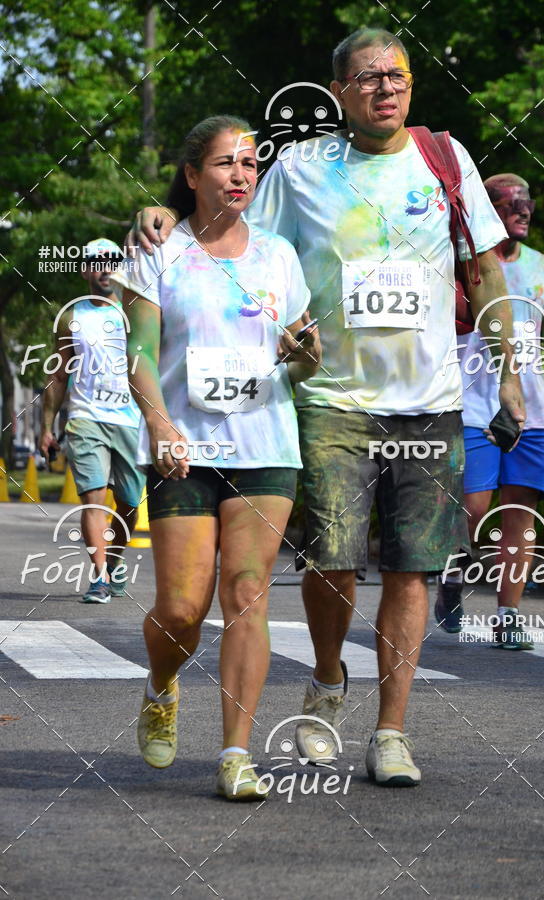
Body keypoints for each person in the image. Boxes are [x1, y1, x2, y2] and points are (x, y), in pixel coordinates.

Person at [126, 29, 525, 787]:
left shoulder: (446, 160)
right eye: (369, 77)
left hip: (432, 398)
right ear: (339, 90)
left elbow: (484, 272)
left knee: (411, 570)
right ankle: (329, 676)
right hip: (332, 398)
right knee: (334, 561)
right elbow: (233, 232)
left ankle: (391, 733)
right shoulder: (303, 167)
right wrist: (163, 212)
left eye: (398, 75)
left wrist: (505, 377)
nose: (386, 88)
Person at [122, 116, 321, 800]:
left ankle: (237, 753)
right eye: (223, 164)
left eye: (249, 165)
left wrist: (308, 356)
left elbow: (300, 350)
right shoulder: (157, 249)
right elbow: (140, 352)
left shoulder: (278, 257)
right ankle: (160, 684)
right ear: (191, 175)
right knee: (181, 608)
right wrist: (157, 420)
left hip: (266, 445)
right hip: (183, 448)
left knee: (246, 593)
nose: (239, 175)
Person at [436, 173, 544, 648]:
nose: (523, 211)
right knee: (473, 509)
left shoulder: (543, 267)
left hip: (534, 413)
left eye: (528, 205)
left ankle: (507, 616)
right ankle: (453, 582)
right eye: (511, 204)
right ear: (489, 209)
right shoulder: (466, 264)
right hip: (475, 405)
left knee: (520, 514)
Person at [40, 238, 145, 603]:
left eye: (113, 261)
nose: (105, 268)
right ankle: (99, 578)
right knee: (94, 498)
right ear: (85, 269)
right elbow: (58, 374)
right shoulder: (72, 316)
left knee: (130, 504)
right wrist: (46, 426)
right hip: (85, 417)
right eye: (97, 262)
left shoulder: (136, 312)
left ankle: (114, 563)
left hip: (130, 420)